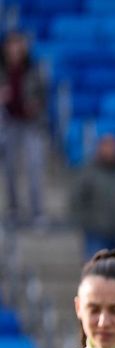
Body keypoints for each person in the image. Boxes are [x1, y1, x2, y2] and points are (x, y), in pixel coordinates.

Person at [71, 134, 115, 264]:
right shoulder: (88, 173)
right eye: (107, 146)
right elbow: (76, 201)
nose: (111, 151)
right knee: (97, 273)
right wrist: (88, 223)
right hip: (97, 234)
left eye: (114, 147)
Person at [1, 30, 48, 226]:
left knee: (34, 168)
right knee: (10, 167)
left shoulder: (34, 69)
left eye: (19, 45)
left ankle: (37, 211)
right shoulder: (2, 70)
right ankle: (13, 207)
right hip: (8, 123)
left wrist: (35, 104)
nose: (15, 50)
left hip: (31, 124)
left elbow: (43, 95)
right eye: (12, 45)